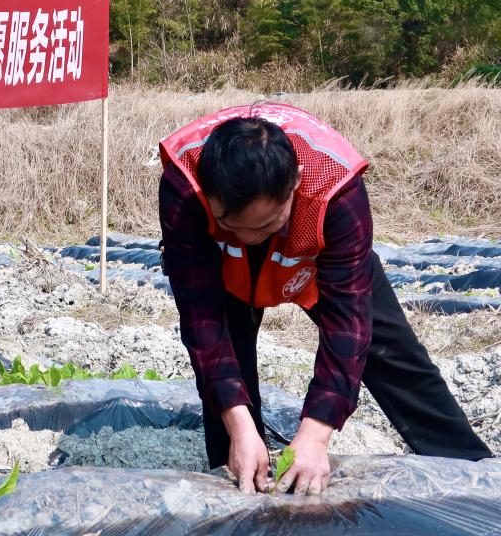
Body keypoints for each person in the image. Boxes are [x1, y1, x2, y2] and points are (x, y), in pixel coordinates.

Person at [158, 102, 491, 495]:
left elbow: (347, 323)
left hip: (314, 260)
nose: (249, 237)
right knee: (229, 382)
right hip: (224, 270)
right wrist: (237, 422)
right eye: (233, 225)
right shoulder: (184, 187)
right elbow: (201, 318)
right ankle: (243, 482)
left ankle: (473, 476)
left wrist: (316, 434)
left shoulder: (336, 190)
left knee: (391, 355)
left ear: (295, 182)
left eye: (265, 224)